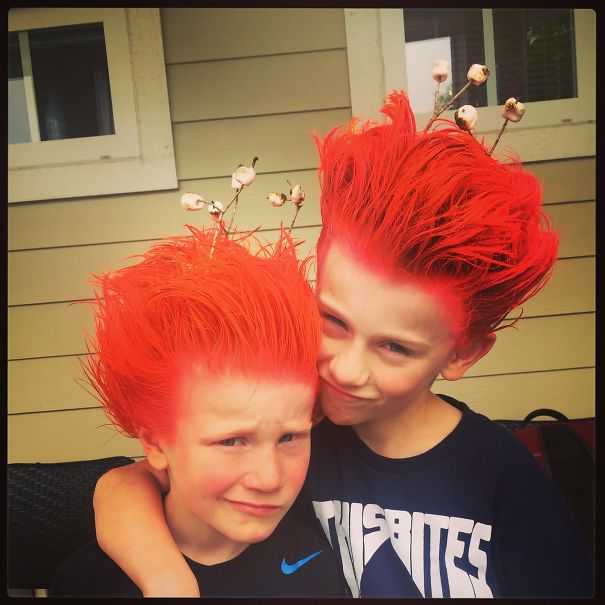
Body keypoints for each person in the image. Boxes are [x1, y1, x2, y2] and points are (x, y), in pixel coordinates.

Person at [90, 92, 593, 598]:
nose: (347, 370)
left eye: (395, 348)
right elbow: (124, 486)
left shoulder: (502, 478)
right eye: (332, 319)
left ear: (463, 353)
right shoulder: (291, 435)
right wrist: (166, 579)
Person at [49, 227, 348, 597]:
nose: (270, 479)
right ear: (156, 443)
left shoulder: (318, 560)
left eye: (289, 436)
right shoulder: (90, 582)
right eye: (231, 441)